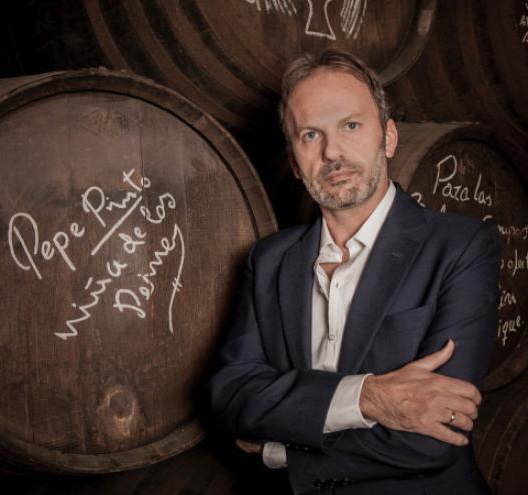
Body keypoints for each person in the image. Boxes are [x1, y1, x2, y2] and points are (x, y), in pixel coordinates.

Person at [208, 48, 501, 494]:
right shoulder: (268, 260)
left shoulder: (461, 247)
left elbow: (438, 434)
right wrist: (369, 397)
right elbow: (232, 395)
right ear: (293, 161)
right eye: (310, 135)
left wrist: (277, 450)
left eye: (350, 125)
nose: (332, 153)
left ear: (388, 138)